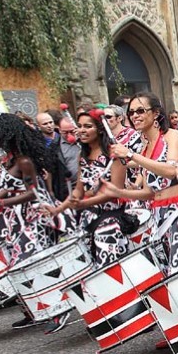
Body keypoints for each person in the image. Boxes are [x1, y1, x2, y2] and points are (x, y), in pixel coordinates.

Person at [0, 114, 74, 332]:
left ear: (6, 132)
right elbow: (12, 185)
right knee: (22, 265)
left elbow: (33, 193)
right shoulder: (12, 158)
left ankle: (59, 310)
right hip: (18, 219)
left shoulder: (24, 160)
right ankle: (36, 309)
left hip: (35, 218)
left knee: (36, 264)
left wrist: (2, 201)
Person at [105, 92, 178, 275]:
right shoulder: (144, 148)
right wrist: (119, 192)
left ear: (155, 113)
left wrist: (132, 156)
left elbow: (172, 170)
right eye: (131, 113)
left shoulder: (172, 135)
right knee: (168, 275)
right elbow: (149, 192)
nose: (135, 116)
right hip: (159, 217)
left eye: (140, 111)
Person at [46, 110, 131, 266]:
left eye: (88, 126)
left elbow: (116, 192)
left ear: (99, 128)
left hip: (111, 218)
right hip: (88, 217)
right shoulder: (83, 155)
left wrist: (85, 203)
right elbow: (79, 190)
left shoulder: (114, 154)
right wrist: (58, 209)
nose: (82, 130)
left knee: (110, 268)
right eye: (79, 126)